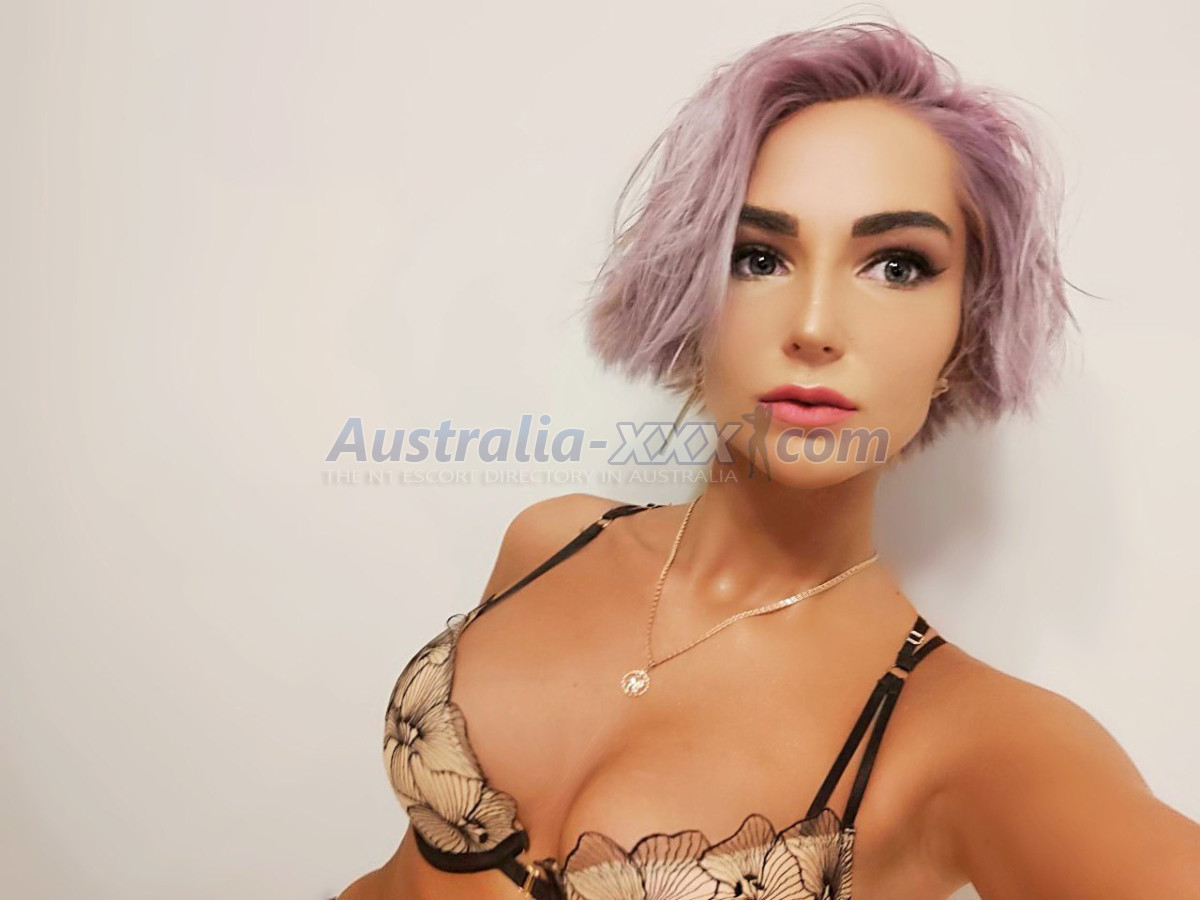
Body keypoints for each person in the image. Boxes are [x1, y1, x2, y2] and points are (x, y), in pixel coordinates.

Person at [338, 19, 1200, 900]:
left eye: (898, 267)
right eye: (758, 257)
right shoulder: (552, 540)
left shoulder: (966, 740)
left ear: (964, 332)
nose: (815, 326)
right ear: (688, 288)